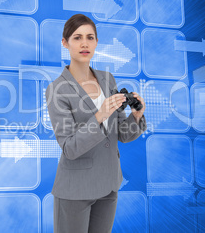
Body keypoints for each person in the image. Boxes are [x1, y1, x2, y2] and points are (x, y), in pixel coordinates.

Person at [45, 14, 147, 233]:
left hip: (109, 184)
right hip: (75, 189)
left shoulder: (107, 79)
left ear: (96, 42)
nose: (84, 43)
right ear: (65, 43)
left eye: (90, 37)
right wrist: (100, 115)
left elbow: (122, 134)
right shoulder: (57, 89)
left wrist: (136, 115)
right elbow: (70, 148)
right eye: (77, 37)